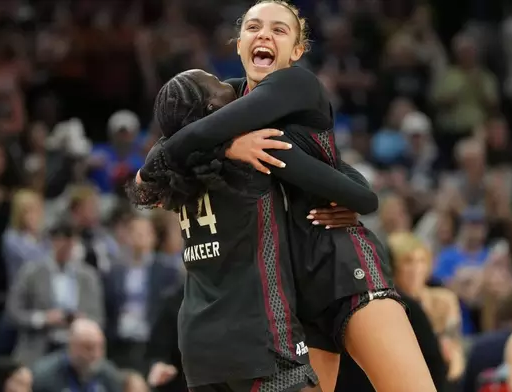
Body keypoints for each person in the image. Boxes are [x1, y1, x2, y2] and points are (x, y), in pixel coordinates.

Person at [136, 1, 436, 391]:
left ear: (296, 51)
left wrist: (202, 152)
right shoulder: (223, 103)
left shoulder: (296, 84)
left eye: (279, 30)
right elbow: (161, 165)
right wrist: (224, 149)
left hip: (339, 263)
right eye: (254, 27)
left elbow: (362, 193)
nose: (264, 35)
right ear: (239, 44)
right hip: (287, 291)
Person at [131, 67, 377, 392]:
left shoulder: (175, 174)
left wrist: (220, 146)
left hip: (198, 345)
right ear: (211, 112)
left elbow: (141, 187)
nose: (227, 83)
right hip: (260, 334)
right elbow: (362, 196)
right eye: (217, 83)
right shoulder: (256, 152)